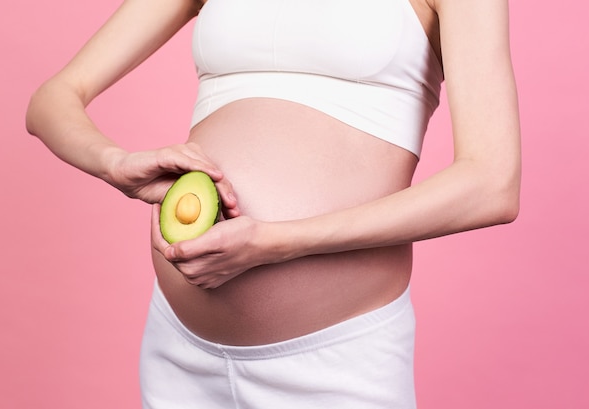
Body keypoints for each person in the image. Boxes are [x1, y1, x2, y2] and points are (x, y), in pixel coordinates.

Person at [26, 0, 521, 407]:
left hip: (337, 362)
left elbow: (491, 184)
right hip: (179, 352)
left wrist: (278, 242)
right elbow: (52, 98)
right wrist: (115, 164)